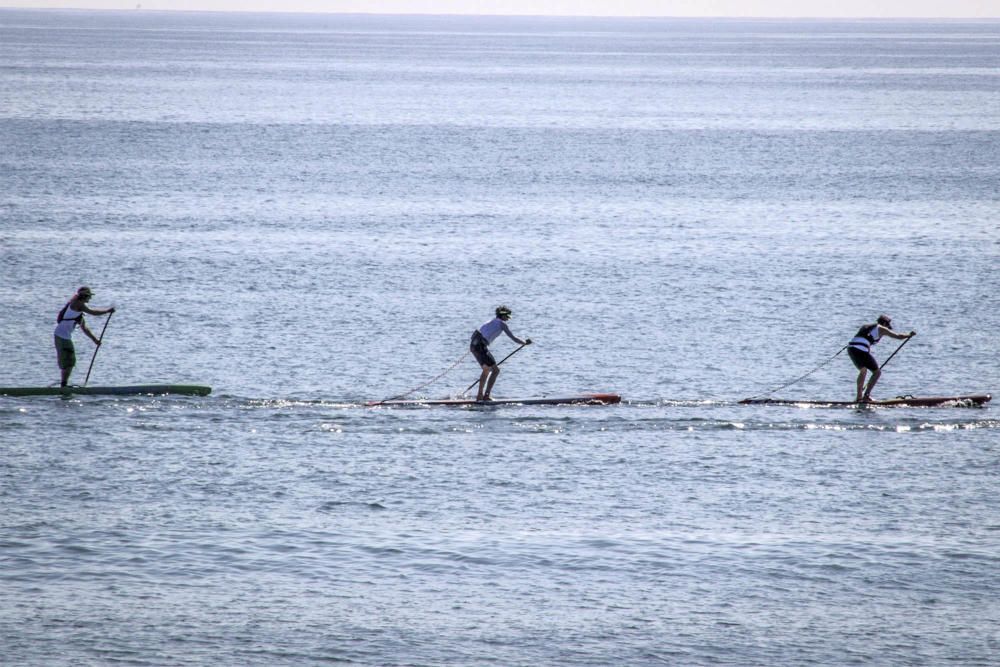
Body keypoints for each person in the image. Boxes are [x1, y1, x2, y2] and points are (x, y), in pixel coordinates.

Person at [54, 286, 115, 387]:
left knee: (69, 362)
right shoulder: (77, 304)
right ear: (84, 296)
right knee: (69, 362)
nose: (90, 299)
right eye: (89, 296)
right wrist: (107, 311)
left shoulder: (78, 311)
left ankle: (63, 384)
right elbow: (93, 312)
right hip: (62, 337)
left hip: (63, 336)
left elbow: (84, 328)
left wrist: (95, 340)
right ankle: (63, 386)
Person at [847, 314, 915, 403]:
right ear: (884, 323)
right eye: (887, 326)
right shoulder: (881, 328)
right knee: (877, 372)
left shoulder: (866, 327)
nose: (887, 328)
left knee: (863, 370)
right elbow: (898, 336)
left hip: (851, 348)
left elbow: (859, 338)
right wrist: (909, 335)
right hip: (861, 350)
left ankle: (859, 397)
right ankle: (866, 396)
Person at [470, 305, 532, 401]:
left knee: (490, 370)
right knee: (492, 370)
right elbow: (513, 338)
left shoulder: (490, 321)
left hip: (475, 345)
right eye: (507, 316)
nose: (508, 319)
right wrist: (524, 342)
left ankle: (482, 395)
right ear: (503, 315)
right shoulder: (502, 324)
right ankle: (483, 396)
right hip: (480, 346)